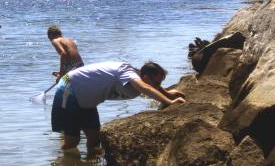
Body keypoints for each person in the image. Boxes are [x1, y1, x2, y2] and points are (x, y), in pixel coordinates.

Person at [51, 61, 186, 153]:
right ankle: (60, 161)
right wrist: (169, 102)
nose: (158, 85)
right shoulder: (129, 74)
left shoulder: (139, 78)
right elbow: (145, 87)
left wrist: (167, 93)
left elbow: (150, 85)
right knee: (72, 142)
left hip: (87, 99)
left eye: (160, 83)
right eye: (157, 83)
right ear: (144, 77)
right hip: (68, 91)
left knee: (94, 141)